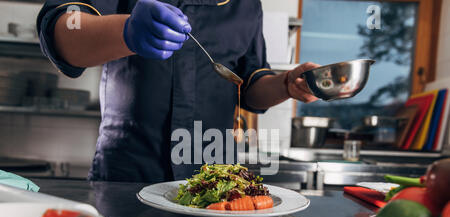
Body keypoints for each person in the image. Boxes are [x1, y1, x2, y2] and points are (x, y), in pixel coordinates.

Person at [37, 0, 319, 183]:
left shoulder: (246, 6)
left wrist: (286, 85)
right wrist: (127, 31)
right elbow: (63, 30)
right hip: (128, 175)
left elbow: (249, 86)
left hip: (215, 180)